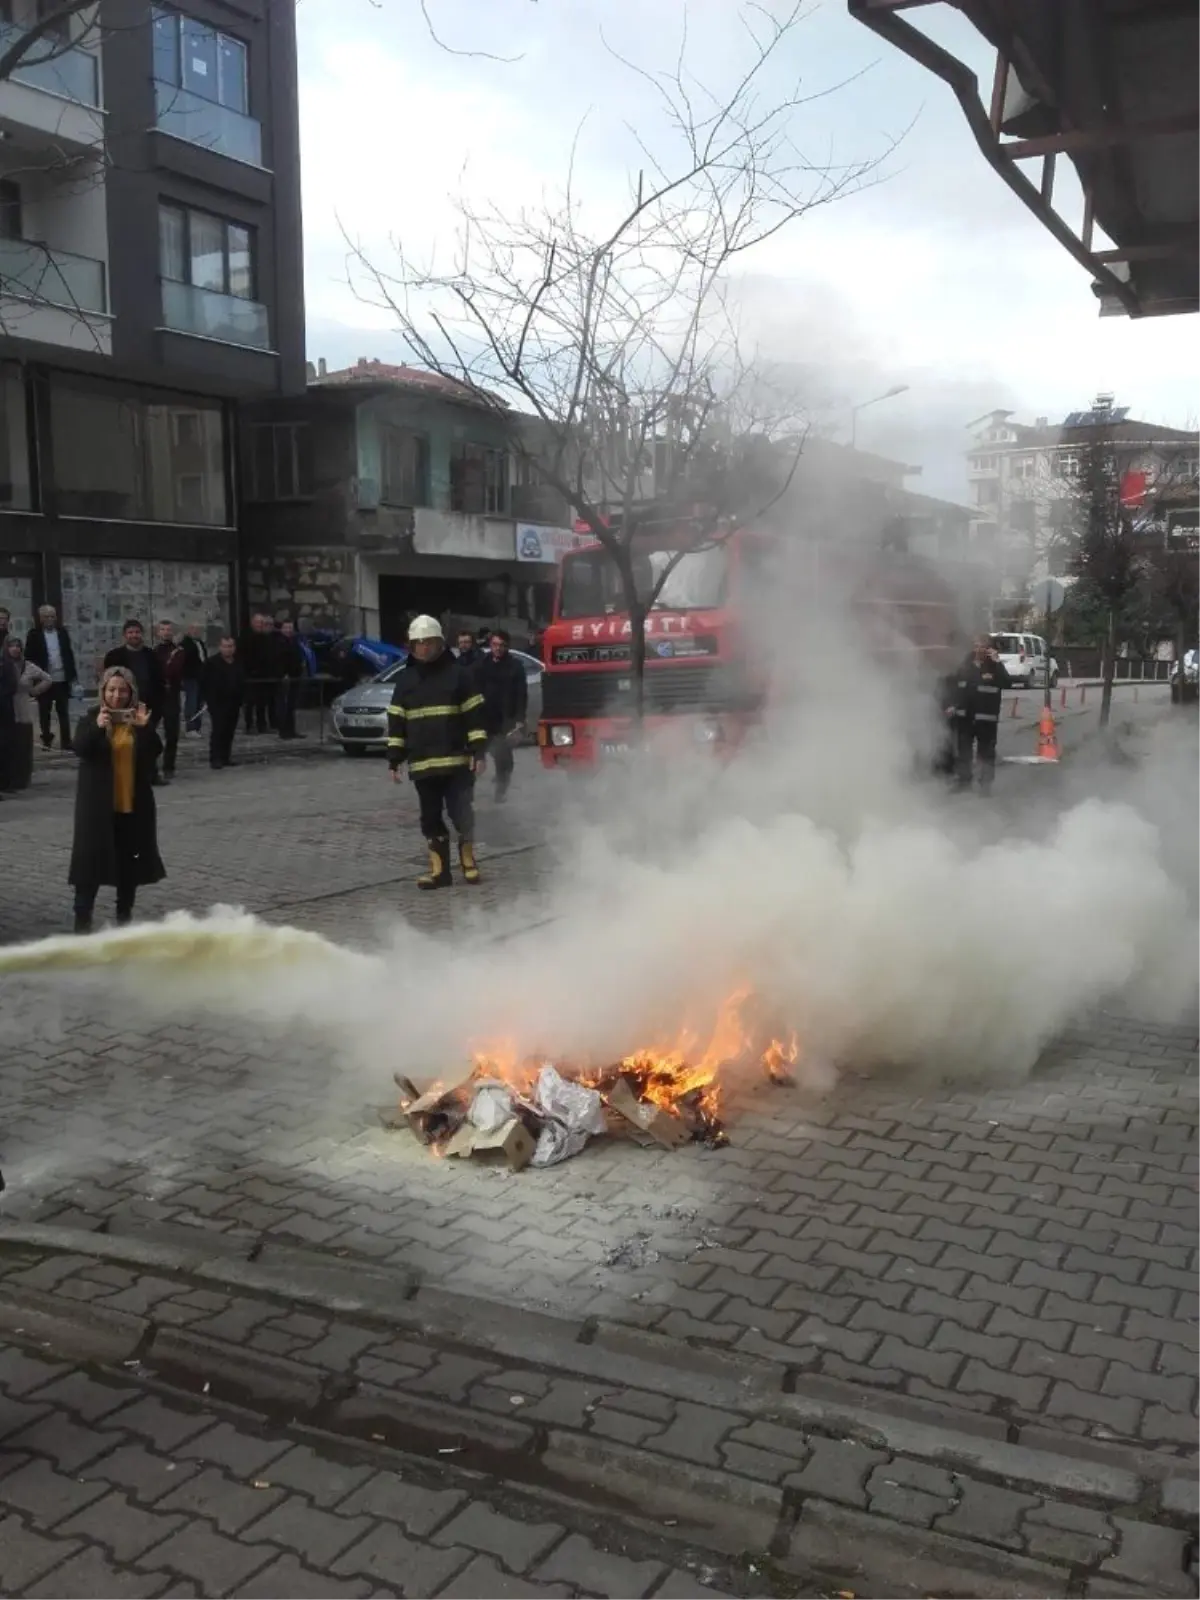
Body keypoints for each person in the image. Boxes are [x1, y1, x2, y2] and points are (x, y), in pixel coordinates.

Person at [387, 614, 487, 890]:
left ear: (440, 643)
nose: (423, 648)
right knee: (430, 819)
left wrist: (478, 753)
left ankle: (468, 861)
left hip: (457, 764)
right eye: (418, 643)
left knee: (461, 813)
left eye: (428, 642)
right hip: (423, 766)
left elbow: (475, 719)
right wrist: (394, 760)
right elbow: (396, 724)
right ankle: (440, 872)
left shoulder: (460, 676)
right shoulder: (405, 681)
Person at [68, 666, 165, 933]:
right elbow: (80, 749)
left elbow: (153, 753)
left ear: (131, 692)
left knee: (128, 866)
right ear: (103, 691)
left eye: (123, 690)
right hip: (97, 808)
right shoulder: (91, 718)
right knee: (89, 866)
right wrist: (99, 728)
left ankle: (124, 917)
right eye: (111, 689)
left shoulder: (138, 720)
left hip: (132, 806)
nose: (117, 695)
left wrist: (144, 729)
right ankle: (82, 920)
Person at [104, 619, 167, 785]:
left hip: (147, 705)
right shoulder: (114, 656)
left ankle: (152, 774)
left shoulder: (151, 655)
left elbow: (159, 680)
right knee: (126, 742)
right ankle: (127, 776)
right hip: (124, 705)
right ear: (125, 635)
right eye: (130, 632)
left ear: (142, 634)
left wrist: (159, 703)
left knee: (149, 741)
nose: (134, 635)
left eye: (137, 632)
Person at [952, 636, 1012, 793]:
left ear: (990, 649)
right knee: (963, 750)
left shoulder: (994, 666)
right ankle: (963, 781)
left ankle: (985, 784)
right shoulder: (965, 665)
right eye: (976, 645)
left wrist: (997, 662)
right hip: (965, 716)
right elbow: (955, 686)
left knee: (986, 752)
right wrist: (952, 705)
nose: (979, 649)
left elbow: (1007, 683)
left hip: (986, 718)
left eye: (983, 646)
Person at [478, 629, 528, 802]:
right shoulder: (483, 664)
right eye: (494, 645)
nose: (497, 649)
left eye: (501, 646)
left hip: (505, 719)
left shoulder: (515, 666)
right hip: (484, 718)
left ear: (507, 647)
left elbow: (521, 695)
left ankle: (501, 791)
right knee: (477, 754)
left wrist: (519, 720)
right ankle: (467, 793)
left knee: (503, 758)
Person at [25, 603, 78, 752]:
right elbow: (29, 657)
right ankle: (46, 739)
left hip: (61, 678)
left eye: (52, 616)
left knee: (63, 712)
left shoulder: (62, 632)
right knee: (44, 711)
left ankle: (66, 741)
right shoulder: (34, 634)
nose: (50, 619)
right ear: (40, 619)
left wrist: (73, 676)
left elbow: (68, 654)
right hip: (44, 679)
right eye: (46, 616)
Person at [2, 636, 50, 790]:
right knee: (10, 747)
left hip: (23, 708)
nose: (15, 649)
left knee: (23, 747)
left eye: (18, 646)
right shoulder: (4, 665)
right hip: (6, 709)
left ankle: (22, 779)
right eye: (12, 646)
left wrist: (35, 691)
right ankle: (9, 779)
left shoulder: (28, 666)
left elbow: (47, 679)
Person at [199, 635, 245, 770]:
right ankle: (215, 758)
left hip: (234, 701)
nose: (228, 649)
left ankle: (226, 756)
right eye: (225, 646)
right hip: (217, 702)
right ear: (220, 647)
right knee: (218, 729)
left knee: (229, 730)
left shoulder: (238, 662)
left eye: (231, 646)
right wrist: (207, 699)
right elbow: (203, 682)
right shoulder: (211, 663)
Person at [153, 619, 185, 780]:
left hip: (172, 696)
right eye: (163, 629)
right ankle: (151, 766)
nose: (166, 632)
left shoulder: (178, 651)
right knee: (149, 732)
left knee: (172, 734)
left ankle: (169, 766)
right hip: (156, 696)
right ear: (158, 632)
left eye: (168, 629)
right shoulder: (153, 651)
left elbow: (175, 671)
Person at [238, 613, 275, 735]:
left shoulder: (265, 638)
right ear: (252, 623)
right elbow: (242, 656)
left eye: (262, 623)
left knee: (262, 702)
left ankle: (262, 725)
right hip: (250, 675)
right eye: (258, 622)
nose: (260, 625)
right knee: (249, 702)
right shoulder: (245, 637)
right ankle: (249, 725)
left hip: (264, 675)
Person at [275, 620, 306, 741]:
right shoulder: (279, 642)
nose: (288, 630)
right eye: (286, 628)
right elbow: (279, 661)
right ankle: (284, 731)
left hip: (295, 676)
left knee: (291, 705)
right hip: (285, 677)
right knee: (284, 705)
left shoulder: (294, 641)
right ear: (282, 629)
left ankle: (291, 730)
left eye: (290, 628)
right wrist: (283, 674)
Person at [180, 622, 208, 735]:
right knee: (191, 702)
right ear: (188, 630)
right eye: (193, 629)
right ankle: (190, 727)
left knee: (199, 702)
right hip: (190, 677)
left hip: (201, 677)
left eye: (198, 629)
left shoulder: (200, 642)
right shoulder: (185, 644)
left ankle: (197, 727)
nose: (196, 631)